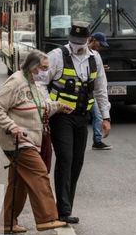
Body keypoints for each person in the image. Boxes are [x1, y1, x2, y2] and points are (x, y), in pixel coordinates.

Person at [0, 50, 70, 232]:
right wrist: (12, 127)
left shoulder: (33, 83)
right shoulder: (17, 81)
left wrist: (58, 106)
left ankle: (8, 223)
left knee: (18, 183)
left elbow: (39, 107)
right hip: (18, 140)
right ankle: (47, 218)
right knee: (39, 173)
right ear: (33, 66)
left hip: (30, 139)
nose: (45, 72)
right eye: (43, 68)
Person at [41, 22, 111, 223]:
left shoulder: (94, 58)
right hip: (61, 117)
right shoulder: (56, 56)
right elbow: (42, 83)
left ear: (88, 40)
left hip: (82, 117)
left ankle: (66, 206)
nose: (77, 45)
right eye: (75, 42)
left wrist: (105, 118)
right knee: (65, 158)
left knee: (77, 162)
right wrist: (51, 105)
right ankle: (63, 211)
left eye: (81, 42)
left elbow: (100, 89)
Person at [88, 32, 112, 150]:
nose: (100, 47)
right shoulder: (72, 52)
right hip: (76, 95)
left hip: (90, 93)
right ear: (92, 39)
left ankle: (97, 141)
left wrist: (106, 117)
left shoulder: (95, 55)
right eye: (99, 44)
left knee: (98, 115)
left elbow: (101, 85)